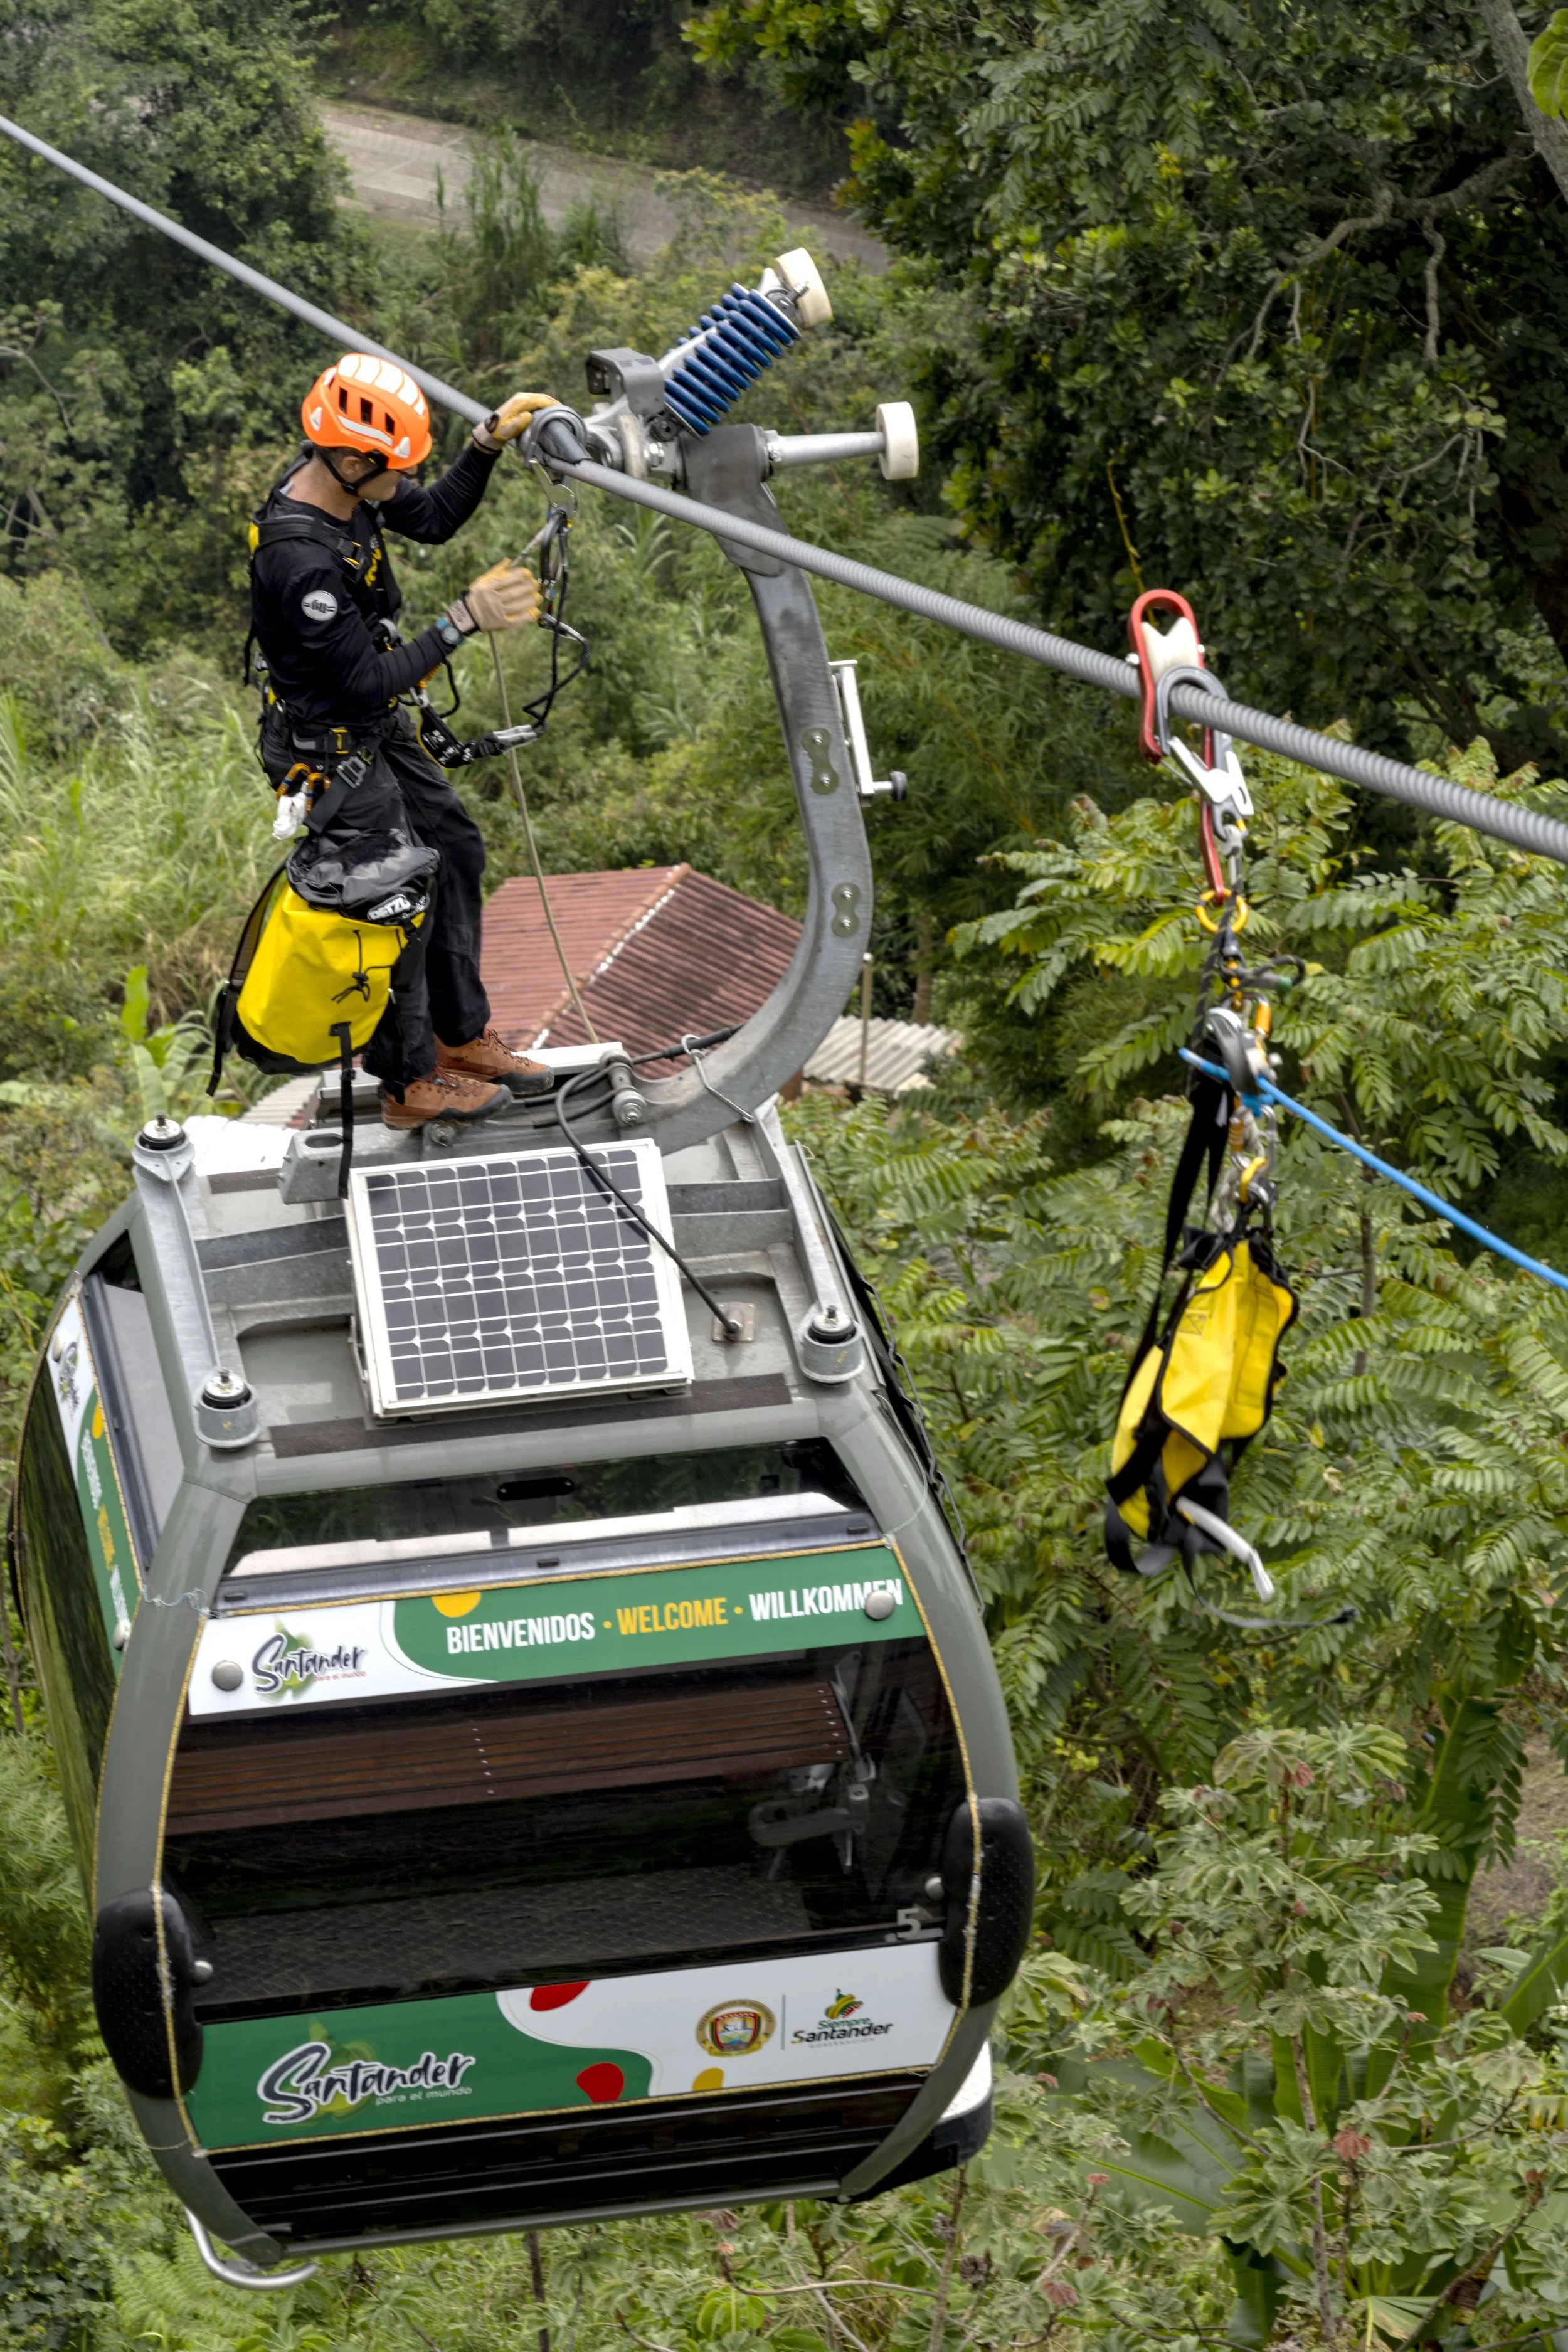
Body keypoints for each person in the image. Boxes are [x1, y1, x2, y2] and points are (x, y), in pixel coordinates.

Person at [249, 351, 560, 1130]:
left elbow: (435, 517)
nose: (402, 485)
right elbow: (360, 681)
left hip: (370, 729)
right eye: (394, 470)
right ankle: (406, 1082)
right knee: (394, 898)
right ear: (352, 459)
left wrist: (486, 440)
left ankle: (460, 1038)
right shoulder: (298, 558)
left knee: (454, 848)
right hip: (328, 746)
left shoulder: (350, 488)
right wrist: (463, 619)